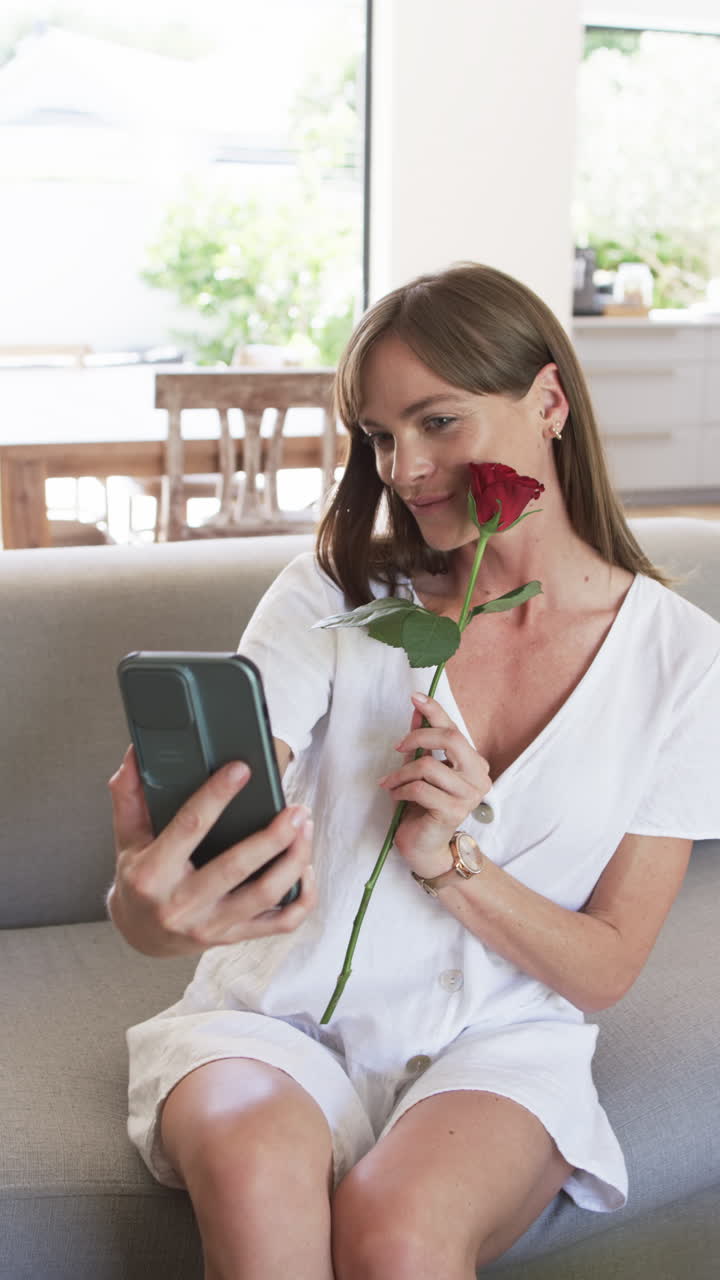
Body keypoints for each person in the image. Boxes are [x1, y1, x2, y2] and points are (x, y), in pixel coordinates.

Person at [108, 262, 720, 1280]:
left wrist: (451, 861)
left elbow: (605, 965)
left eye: (437, 422)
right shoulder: (332, 595)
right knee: (261, 1189)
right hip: (277, 1018)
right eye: (381, 437)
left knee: (398, 1240)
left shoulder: (686, 663)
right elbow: (213, 835)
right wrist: (147, 907)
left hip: (499, 1040)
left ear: (551, 401)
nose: (402, 467)